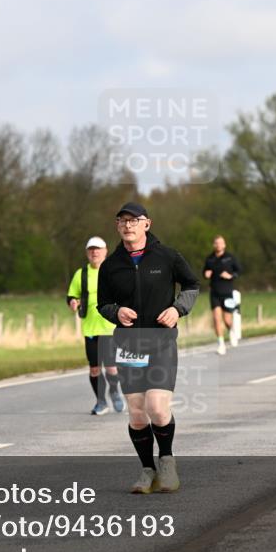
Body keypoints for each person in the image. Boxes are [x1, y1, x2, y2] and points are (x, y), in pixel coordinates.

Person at [98, 202, 199, 493]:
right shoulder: (111, 265)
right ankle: (147, 470)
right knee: (137, 412)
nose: (128, 225)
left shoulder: (167, 256)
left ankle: (167, 462)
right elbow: (102, 303)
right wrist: (115, 312)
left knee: (156, 406)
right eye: (122, 221)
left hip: (161, 342)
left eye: (134, 220)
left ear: (147, 224)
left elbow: (192, 285)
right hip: (129, 344)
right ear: (117, 226)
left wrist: (178, 309)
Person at [67, 237, 125, 415]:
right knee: (94, 368)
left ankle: (114, 391)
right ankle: (101, 401)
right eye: (91, 249)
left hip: (109, 327)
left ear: (105, 251)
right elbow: (71, 295)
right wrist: (73, 302)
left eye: (98, 249)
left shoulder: (113, 272)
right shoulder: (81, 274)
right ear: (87, 253)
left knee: (111, 367)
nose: (95, 252)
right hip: (90, 328)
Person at [203, 235, 242, 355]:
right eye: (216, 243)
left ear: (224, 245)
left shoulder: (230, 258)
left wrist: (231, 276)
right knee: (216, 318)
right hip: (214, 292)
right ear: (214, 245)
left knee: (227, 320)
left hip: (227, 292)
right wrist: (206, 274)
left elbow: (239, 271)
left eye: (220, 243)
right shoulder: (210, 259)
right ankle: (221, 344)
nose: (218, 245)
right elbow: (204, 272)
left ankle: (231, 331)